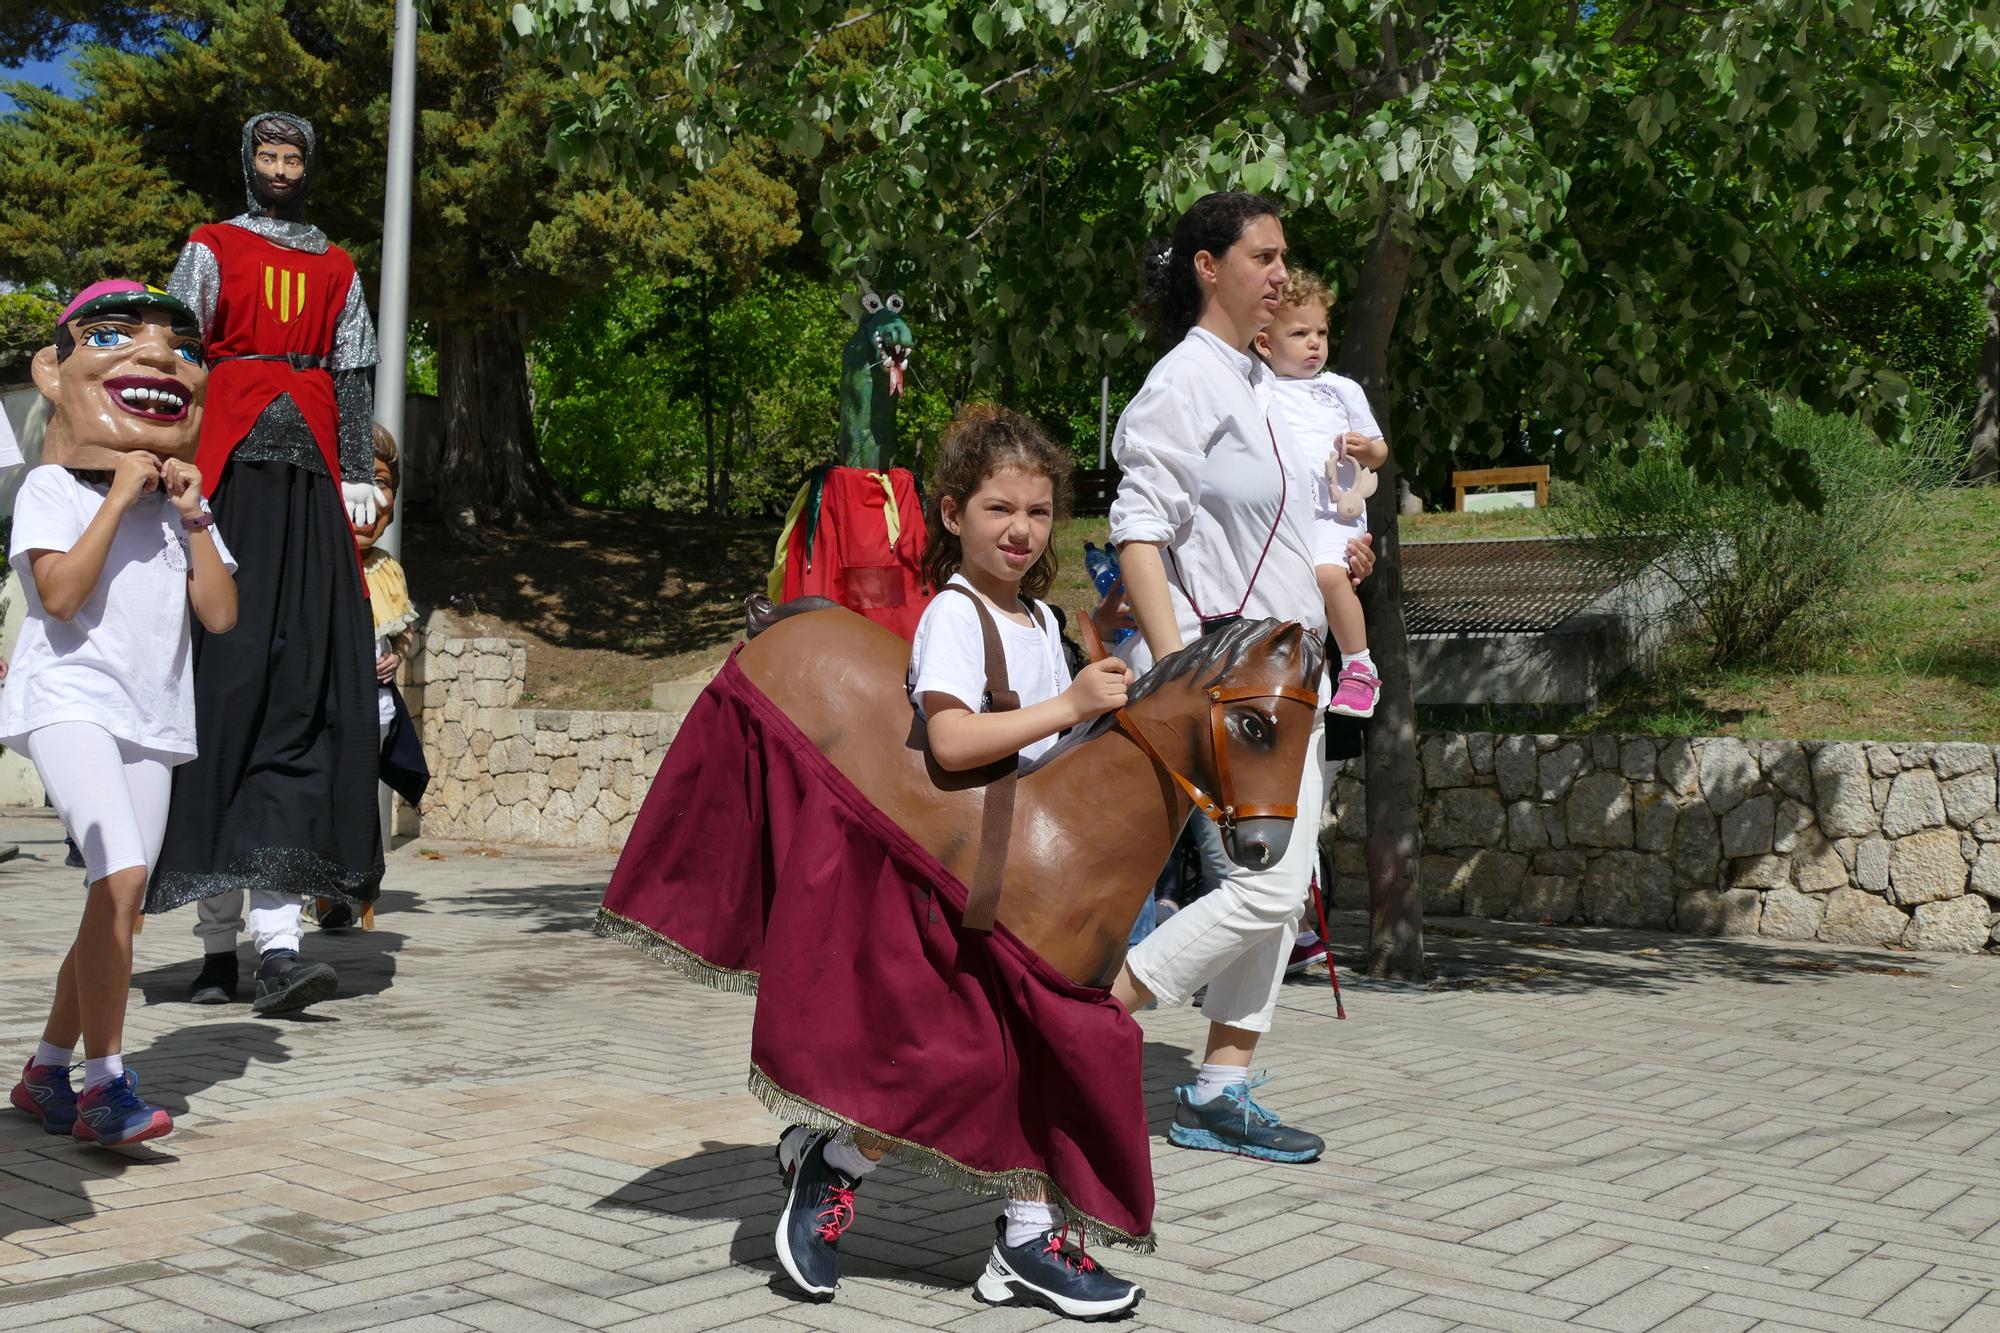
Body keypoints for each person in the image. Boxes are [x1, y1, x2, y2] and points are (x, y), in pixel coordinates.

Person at [774, 404, 1143, 1321]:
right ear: (950, 514)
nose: (1021, 530)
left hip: (1034, 892)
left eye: (1040, 511)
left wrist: (1094, 657)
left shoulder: (1043, 622)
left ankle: (1025, 1237)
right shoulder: (955, 614)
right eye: (999, 509)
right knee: (944, 1062)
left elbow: (1061, 758)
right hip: (964, 885)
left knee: (1021, 1061)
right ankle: (835, 1162)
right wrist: (1066, 707)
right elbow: (952, 738)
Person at [1104, 191, 1375, 1163]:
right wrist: (1180, 671)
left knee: (1280, 882)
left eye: (1282, 257)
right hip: (1228, 674)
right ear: (1207, 269)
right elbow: (1138, 532)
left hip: (1287, 667)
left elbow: (1274, 522)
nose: (1277, 274)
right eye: (1261, 256)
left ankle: (1220, 1085)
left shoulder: (1263, 387)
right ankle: (1094, 1015)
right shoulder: (1182, 381)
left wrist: (1336, 554)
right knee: (1266, 891)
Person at [157, 111, 384, 1014]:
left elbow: (356, 367)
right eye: (268, 155)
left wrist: (360, 466)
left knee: (301, 686)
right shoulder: (211, 246)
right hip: (228, 475)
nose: (283, 170)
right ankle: (217, 943)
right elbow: (175, 350)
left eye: (294, 158)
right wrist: (166, 452)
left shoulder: (337, 265)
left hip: (312, 487)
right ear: (247, 162)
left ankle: (280, 943)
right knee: (219, 691)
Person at [4, 281, 238, 1146]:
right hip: (68, 701)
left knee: (118, 902)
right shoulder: (50, 489)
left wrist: (193, 513)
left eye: (181, 343)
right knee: (123, 878)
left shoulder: (181, 509)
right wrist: (114, 497)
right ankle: (105, 1084)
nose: (159, 355)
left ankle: (42, 1069)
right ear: (53, 371)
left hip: (154, 716)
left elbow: (221, 614)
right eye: (116, 335)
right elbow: (60, 596)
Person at [1254, 269, 1390, 719]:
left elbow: (1379, 451)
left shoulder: (1339, 388)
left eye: (1321, 332)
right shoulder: (1260, 389)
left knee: (1330, 576)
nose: (1314, 343)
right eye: (1299, 333)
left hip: (1336, 512)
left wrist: (1367, 448)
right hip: (1290, 515)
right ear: (1265, 344)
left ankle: (1359, 667)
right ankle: (1309, 672)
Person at [316, 423, 426, 931]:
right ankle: (317, 885)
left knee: (356, 794)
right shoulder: (312, 562)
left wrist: (397, 656)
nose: (369, 497)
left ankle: (349, 886)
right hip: (318, 705)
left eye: (382, 483)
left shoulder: (387, 569)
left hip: (372, 706)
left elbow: (400, 628)